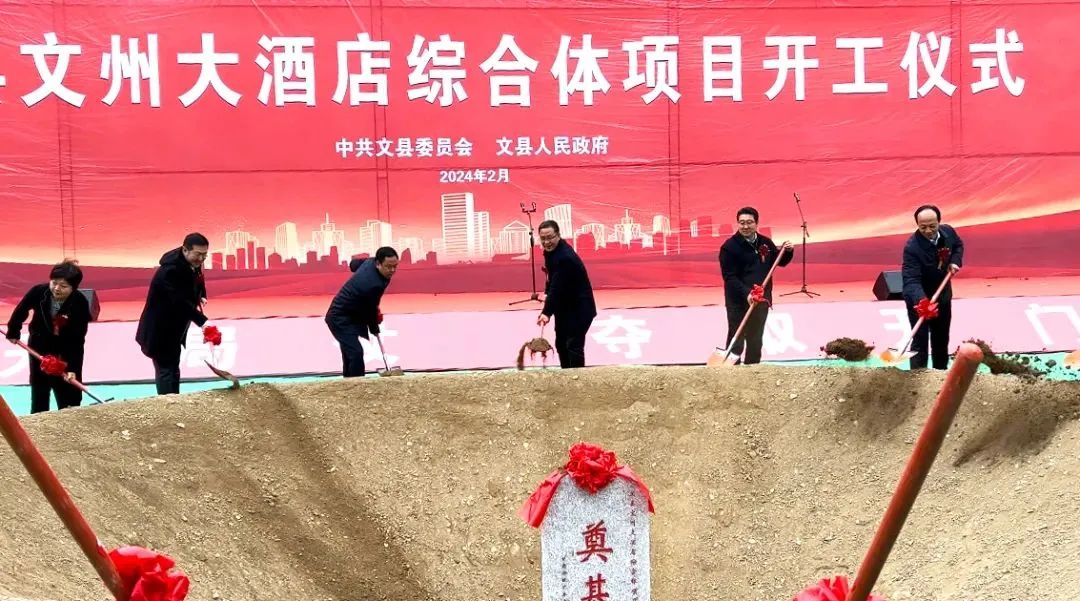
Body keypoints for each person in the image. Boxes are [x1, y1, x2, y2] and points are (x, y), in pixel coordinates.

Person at [5, 260, 92, 413]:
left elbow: (77, 340)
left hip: (65, 350)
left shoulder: (80, 303)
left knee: (68, 393)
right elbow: (21, 310)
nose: (56, 288)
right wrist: (13, 331)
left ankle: (69, 418)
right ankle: (39, 419)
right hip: (39, 345)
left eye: (63, 286)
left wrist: (72, 368)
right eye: (54, 283)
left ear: (73, 287)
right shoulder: (39, 292)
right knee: (40, 389)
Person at [135, 233, 210, 395]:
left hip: (174, 329)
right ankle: (168, 404)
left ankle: (175, 401)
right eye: (198, 254)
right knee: (166, 371)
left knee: (173, 368)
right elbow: (179, 302)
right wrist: (203, 322)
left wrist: (202, 294)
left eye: (205, 255)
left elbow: (198, 277)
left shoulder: (191, 261)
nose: (201, 259)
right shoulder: (169, 272)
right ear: (185, 250)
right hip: (160, 329)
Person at [718, 207, 794, 365]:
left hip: (761, 299)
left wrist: (787, 252)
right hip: (739, 301)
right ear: (738, 224)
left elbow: (780, 262)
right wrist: (747, 294)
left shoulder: (765, 242)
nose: (745, 226)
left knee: (755, 338)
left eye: (749, 222)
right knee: (736, 338)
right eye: (742, 223)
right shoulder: (729, 247)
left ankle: (752, 371)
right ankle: (731, 372)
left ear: (756, 223)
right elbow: (730, 277)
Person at [901, 204, 964, 370]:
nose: (928, 231)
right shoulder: (912, 248)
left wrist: (954, 261)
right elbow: (911, 280)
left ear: (939, 222)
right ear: (917, 225)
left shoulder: (948, 232)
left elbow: (958, 245)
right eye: (923, 227)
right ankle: (918, 377)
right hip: (920, 301)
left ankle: (940, 374)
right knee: (920, 341)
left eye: (932, 226)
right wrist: (923, 301)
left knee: (941, 339)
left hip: (942, 296)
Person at [325, 247, 399, 377]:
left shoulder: (369, 262)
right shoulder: (373, 284)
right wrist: (374, 327)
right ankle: (358, 385)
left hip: (352, 313)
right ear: (378, 264)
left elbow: (353, 264)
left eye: (395, 266)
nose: (392, 270)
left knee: (349, 352)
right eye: (388, 267)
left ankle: (349, 382)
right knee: (355, 352)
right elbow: (370, 309)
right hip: (338, 317)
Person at [536, 220, 597, 368]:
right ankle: (566, 375)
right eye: (543, 239)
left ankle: (576, 378)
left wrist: (546, 312)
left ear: (558, 235)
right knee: (561, 343)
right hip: (564, 306)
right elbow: (551, 278)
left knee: (573, 344)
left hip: (580, 307)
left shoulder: (565, 258)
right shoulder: (551, 252)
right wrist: (546, 293)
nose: (546, 242)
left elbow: (557, 288)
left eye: (550, 237)